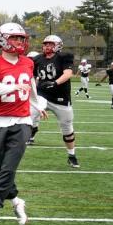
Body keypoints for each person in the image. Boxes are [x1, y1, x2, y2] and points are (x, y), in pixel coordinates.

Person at [0, 23, 44, 225]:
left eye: (21, 38)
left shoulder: (28, 63)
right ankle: (16, 202)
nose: (20, 42)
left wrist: (36, 104)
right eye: (15, 38)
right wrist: (14, 86)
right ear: (2, 40)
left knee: (8, 167)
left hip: (22, 122)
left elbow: (29, 86)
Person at [30, 35, 79, 167]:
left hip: (60, 98)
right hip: (42, 95)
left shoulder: (64, 56)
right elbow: (33, 77)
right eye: (45, 44)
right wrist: (33, 89)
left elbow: (68, 73)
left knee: (67, 128)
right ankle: (31, 132)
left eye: (50, 44)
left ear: (58, 45)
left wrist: (55, 83)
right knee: (28, 117)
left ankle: (71, 155)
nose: (47, 46)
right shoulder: (37, 59)